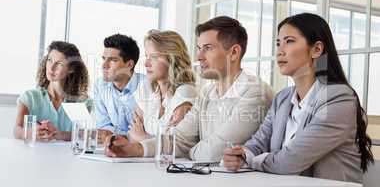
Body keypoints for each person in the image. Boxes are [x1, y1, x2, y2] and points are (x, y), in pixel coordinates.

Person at [222, 13, 374, 183]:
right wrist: (241, 154)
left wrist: (250, 160)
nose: (280, 51)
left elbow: (289, 162)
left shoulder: (339, 98)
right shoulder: (282, 98)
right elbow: (258, 143)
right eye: (278, 43)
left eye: (289, 41)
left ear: (316, 49)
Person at [105, 16, 274, 162]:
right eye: (199, 49)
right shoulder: (207, 93)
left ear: (234, 53)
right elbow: (180, 140)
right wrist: (132, 149)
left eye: (208, 48)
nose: (199, 56)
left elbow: (212, 153)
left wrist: (189, 151)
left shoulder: (254, 92)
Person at [128, 30, 197, 142]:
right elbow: (133, 135)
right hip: (143, 159)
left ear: (172, 59)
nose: (146, 63)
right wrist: (145, 139)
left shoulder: (185, 93)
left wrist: (143, 137)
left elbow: (174, 145)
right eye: (147, 56)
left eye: (154, 57)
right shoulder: (145, 90)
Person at [14, 41, 91, 141]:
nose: (51, 67)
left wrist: (60, 134)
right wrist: (32, 133)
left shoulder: (83, 102)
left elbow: (85, 135)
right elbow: (17, 130)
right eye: (49, 60)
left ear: (71, 69)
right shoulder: (30, 97)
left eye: (59, 63)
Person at [94, 34, 149, 143]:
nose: (104, 65)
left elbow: (147, 132)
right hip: (113, 147)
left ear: (129, 64)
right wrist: (108, 133)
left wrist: (115, 136)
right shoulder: (100, 86)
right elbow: (104, 125)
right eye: (104, 59)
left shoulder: (147, 86)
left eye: (112, 60)